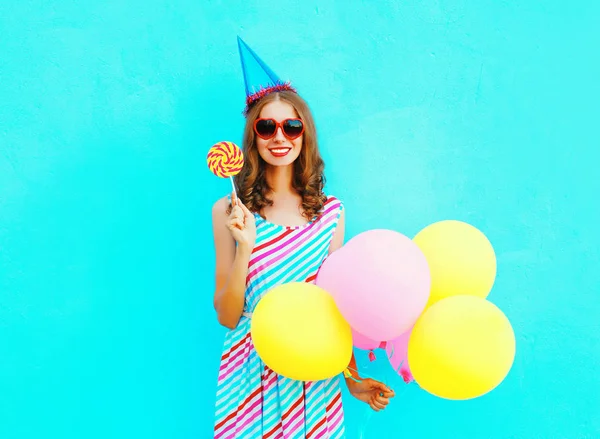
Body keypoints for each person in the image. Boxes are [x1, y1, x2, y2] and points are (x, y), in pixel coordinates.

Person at [211, 37, 394, 439]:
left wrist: (353, 380)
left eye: (291, 126)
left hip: (313, 374)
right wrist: (245, 247)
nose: (280, 136)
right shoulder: (229, 210)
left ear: (304, 134)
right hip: (250, 373)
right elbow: (226, 315)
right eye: (267, 126)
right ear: (253, 136)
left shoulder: (331, 213)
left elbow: (336, 309)